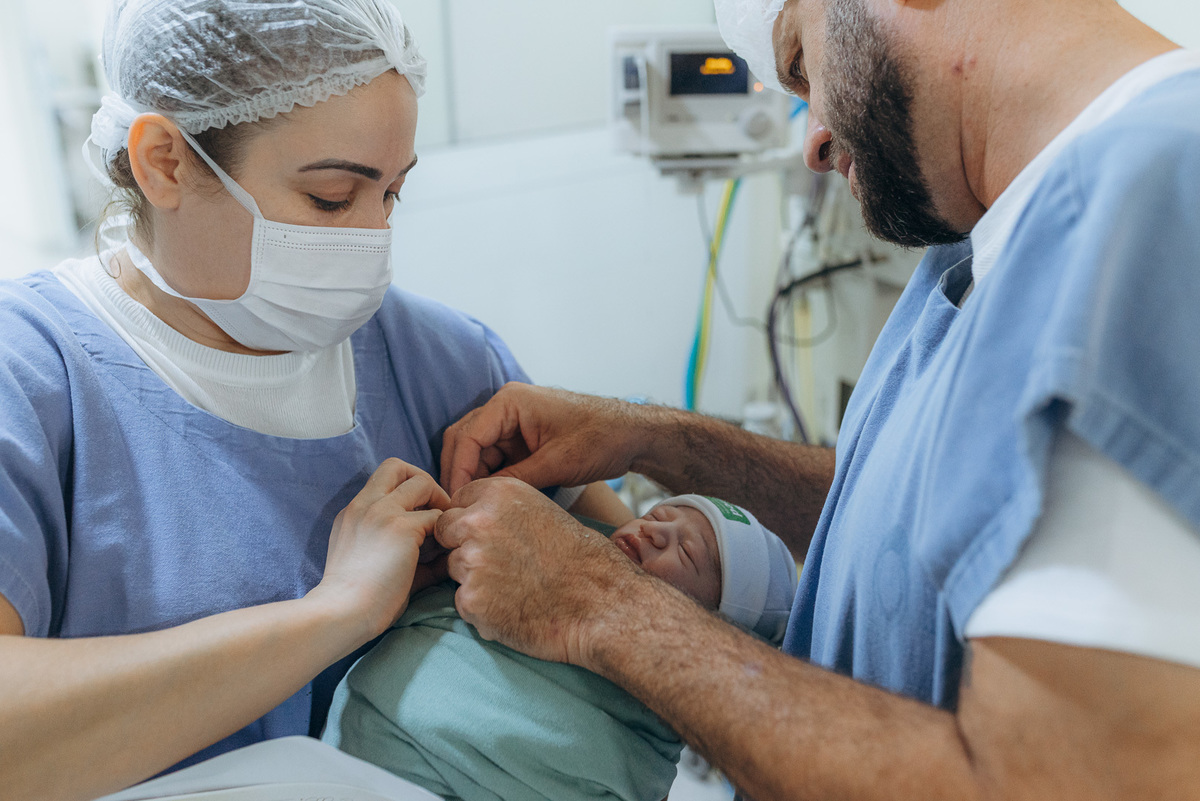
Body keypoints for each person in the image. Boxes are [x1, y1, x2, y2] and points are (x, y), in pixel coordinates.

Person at [432, 0, 1200, 799]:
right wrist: (653, 439)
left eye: (801, 66)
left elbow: (1045, 784)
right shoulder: (988, 229)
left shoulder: (1155, 205)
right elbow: (914, 512)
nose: (813, 141)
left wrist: (595, 602)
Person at [0, 2, 626, 799]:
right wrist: (333, 613)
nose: (372, 239)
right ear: (165, 162)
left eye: (392, 194)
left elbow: (632, 594)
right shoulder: (31, 376)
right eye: (332, 198)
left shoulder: (444, 362)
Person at [321, 495, 798, 801]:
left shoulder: (647, 727)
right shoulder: (553, 548)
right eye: (656, 515)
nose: (654, 531)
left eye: (687, 553)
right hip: (356, 746)